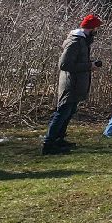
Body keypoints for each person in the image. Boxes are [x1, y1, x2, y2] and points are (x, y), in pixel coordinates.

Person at [42, 14, 103, 155]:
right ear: (91, 28)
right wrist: (89, 66)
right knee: (62, 113)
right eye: (96, 28)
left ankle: (59, 140)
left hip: (76, 84)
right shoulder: (75, 41)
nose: (97, 31)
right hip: (70, 84)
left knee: (68, 113)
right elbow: (64, 64)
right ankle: (48, 144)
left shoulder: (82, 41)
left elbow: (76, 61)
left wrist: (91, 64)